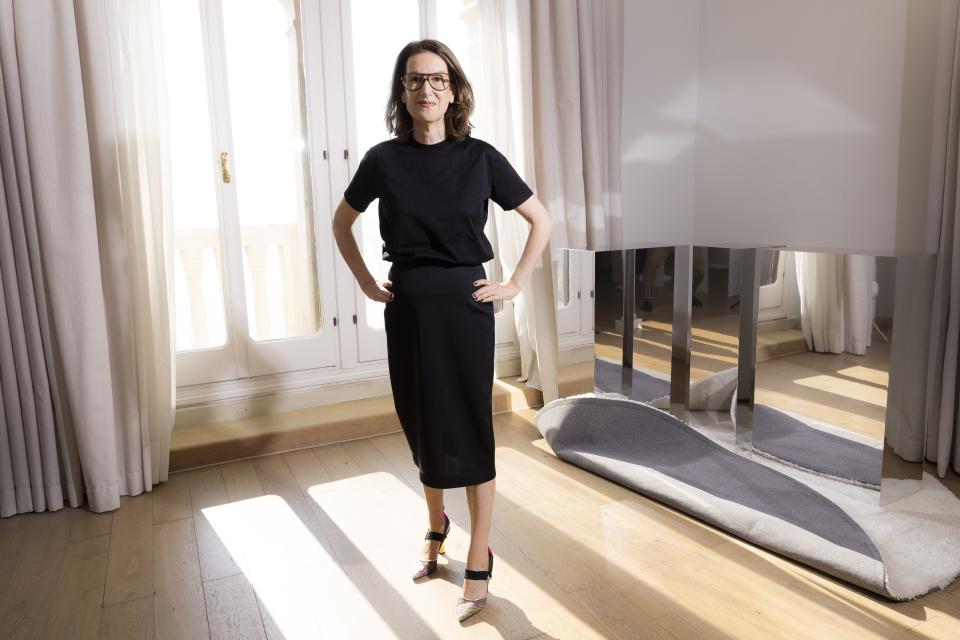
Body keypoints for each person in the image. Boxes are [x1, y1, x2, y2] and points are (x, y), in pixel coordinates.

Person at [331, 39, 553, 623]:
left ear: (452, 90)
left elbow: (541, 219)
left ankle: (479, 556)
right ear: (401, 93)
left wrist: (514, 284)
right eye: (413, 81)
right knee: (423, 423)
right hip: (407, 309)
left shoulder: (479, 156)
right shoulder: (383, 159)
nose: (425, 90)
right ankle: (437, 527)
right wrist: (364, 283)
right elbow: (341, 222)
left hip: (463, 306)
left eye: (436, 79)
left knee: (471, 429)